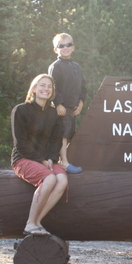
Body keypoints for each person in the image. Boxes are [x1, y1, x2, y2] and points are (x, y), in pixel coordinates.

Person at [11, 74, 68, 236]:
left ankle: (37, 222)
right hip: (23, 158)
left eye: (49, 86)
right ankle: (30, 223)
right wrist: (41, 159)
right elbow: (20, 143)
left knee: (62, 180)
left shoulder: (54, 113)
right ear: (34, 89)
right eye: (42, 85)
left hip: (47, 159)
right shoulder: (20, 110)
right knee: (50, 178)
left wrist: (50, 158)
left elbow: (55, 140)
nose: (46, 89)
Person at [48, 32, 87, 174]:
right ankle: (64, 162)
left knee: (70, 134)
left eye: (68, 45)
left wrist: (81, 102)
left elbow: (83, 86)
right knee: (63, 135)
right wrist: (58, 104)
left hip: (73, 108)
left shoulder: (77, 67)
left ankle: (65, 160)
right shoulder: (55, 66)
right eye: (61, 46)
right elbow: (53, 87)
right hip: (61, 108)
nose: (65, 48)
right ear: (55, 49)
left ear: (73, 48)